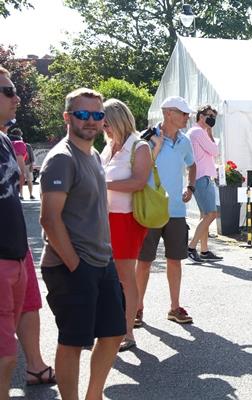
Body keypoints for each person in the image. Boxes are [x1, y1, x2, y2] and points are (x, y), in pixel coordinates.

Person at [39, 88, 126, 400]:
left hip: (101, 261)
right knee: (73, 341)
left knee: (114, 333)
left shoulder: (92, 156)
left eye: (97, 115)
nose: (91, 121)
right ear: (67, 118)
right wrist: (76, 264)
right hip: (70, 264)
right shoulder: (62, 159)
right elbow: (50, 219)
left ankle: (93, 396)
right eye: (83, 114)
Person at [100, 99, 158, 352]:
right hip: (105, 218)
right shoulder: (108, 147)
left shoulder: (139, 146)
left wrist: (103, 185)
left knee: (125, 277)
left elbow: (138, 182)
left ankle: (128, 333)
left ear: (118, 120)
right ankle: (111, 328)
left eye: (107, 124)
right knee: (108, 277)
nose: (104, 128)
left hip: (127, 219)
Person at [135, 96, 197, 326]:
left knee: (175, 260)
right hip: (151, 210)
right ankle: (137, 308)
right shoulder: (146, 138)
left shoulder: (185, 141)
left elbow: (193, 164)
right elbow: (137, 168)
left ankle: (174, 307)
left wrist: (190, 186)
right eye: (183, 113)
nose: (187, 118)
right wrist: (156, 146)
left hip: (177, 211)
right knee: (144, 262)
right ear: (168, 113)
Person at [0, 65, 29, 400]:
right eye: (7, 91)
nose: (16, 97)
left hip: (17, 259)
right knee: (4, 355)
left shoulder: (6, 140)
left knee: (8, 350)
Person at [187, 105, 223, 262]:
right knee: (211, 214)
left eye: (213, 116)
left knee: (205, 215)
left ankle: (204, 250)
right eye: (209, 116)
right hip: (202, 177)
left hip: (202, 176)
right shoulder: (198, 132)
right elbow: (215, 151)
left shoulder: (198, 132)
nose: (211, 119)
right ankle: (191, 247)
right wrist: (209, 132)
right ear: (200, 116)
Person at [8, 127, 34, 199]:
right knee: (27, 180)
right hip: (26, 164)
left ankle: (25, 195)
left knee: (22, 180)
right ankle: (26, 195)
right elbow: (31, 156)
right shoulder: (24, 145)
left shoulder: (10, 143)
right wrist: (32, 165)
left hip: (22, 164)